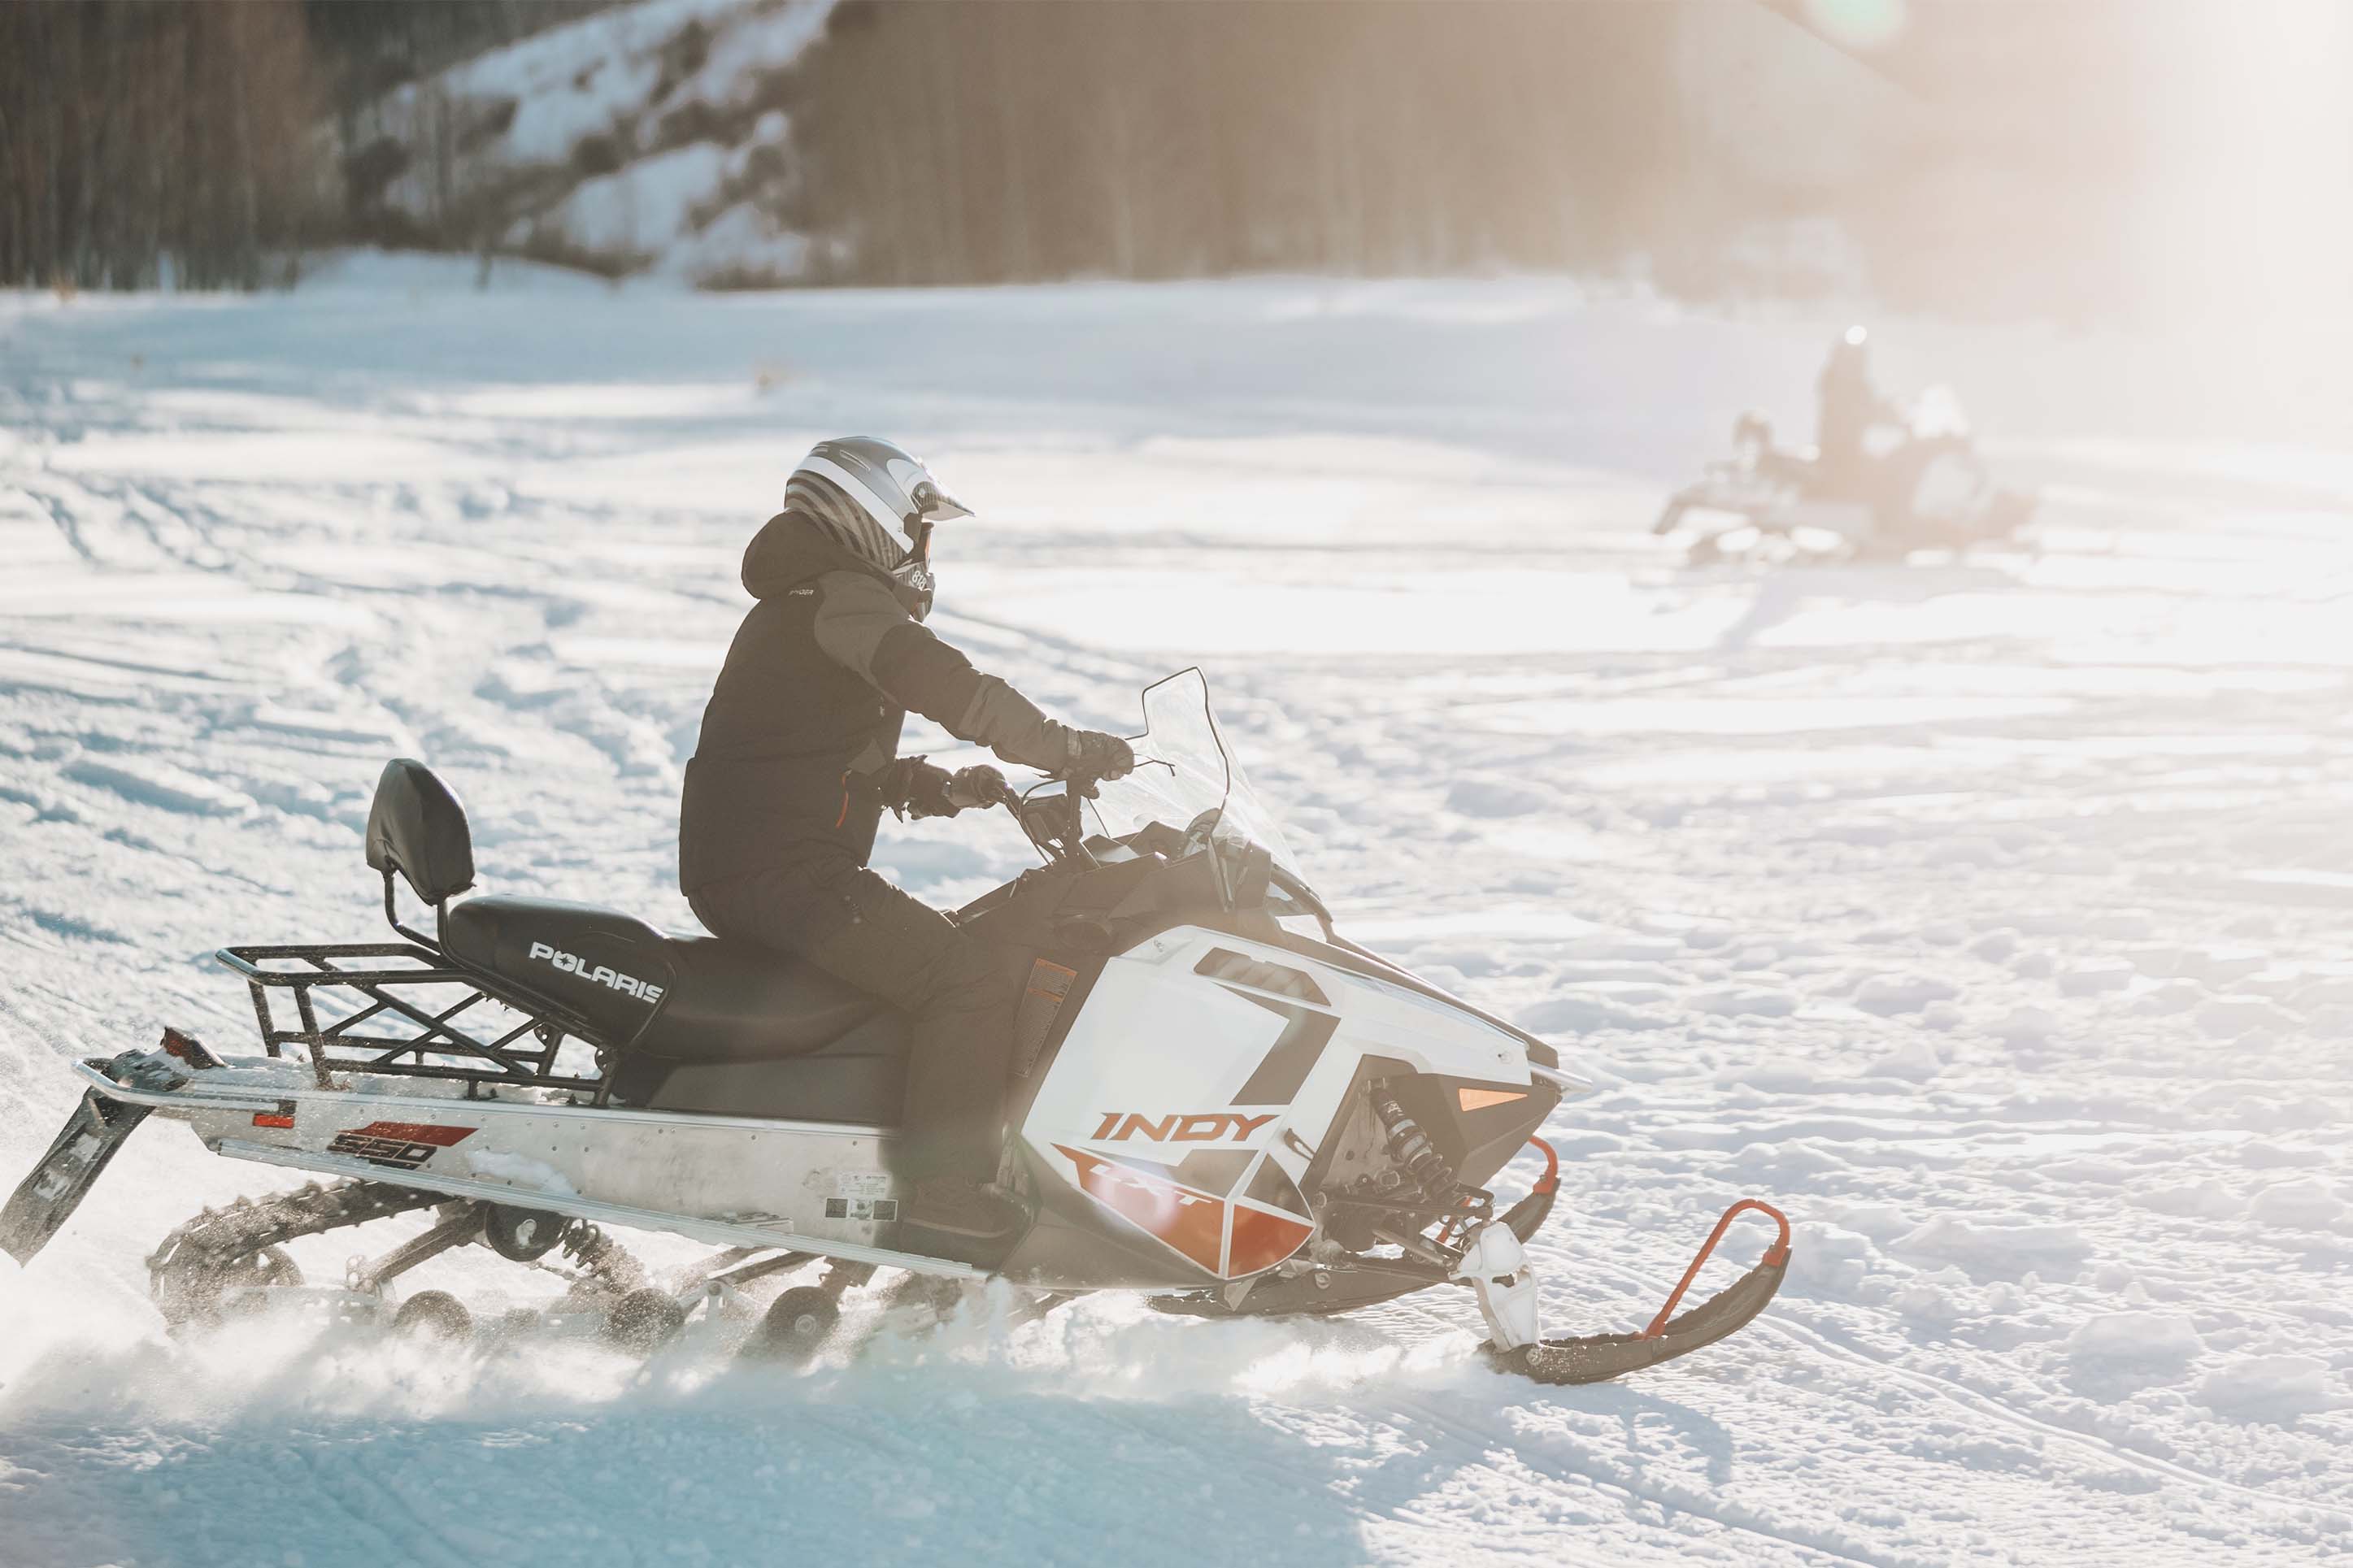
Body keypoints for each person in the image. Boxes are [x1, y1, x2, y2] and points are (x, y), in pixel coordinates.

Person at [677, 437, 1134, 1245]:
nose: (924, 555)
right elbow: (949, 686)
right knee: (968, 978)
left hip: (757, 863)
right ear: (871, 520)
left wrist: (947, 788)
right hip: (784, 873)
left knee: (945, 952)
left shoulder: (803, 601)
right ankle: (945, 1193)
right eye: (918, 532)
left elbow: (811, 751)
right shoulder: (843, 600)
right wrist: (1061, 748)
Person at [1813, 325, 1898, 502]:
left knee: (1888, 467)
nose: (1853, 361)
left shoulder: (1859, 386)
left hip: (1851, 451)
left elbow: (1869, 408)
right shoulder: (1834, 382)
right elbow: (1852, 409)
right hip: (1837, 454)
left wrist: (1893, 412)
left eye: (1857, 357)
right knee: (1884, 475)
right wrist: (1881, 414)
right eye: (1850, 356)